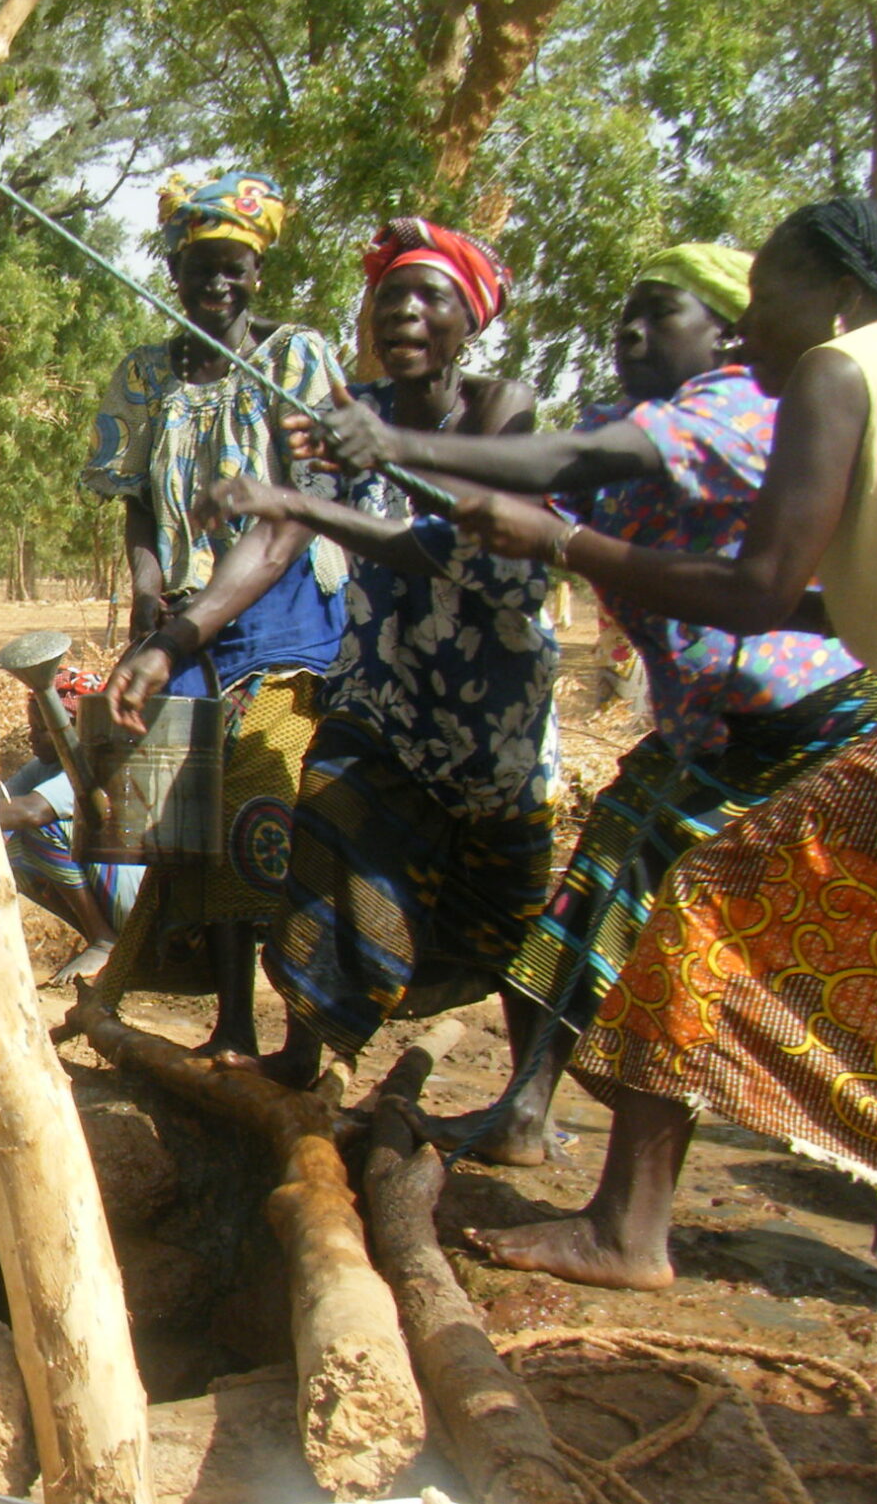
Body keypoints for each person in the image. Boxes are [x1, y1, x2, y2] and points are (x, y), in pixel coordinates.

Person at [433, 199, 877, 1289]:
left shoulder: (838, 374)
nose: (750, 331)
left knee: (706, 899)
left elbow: (757, 592)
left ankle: (627, 1232)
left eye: (767, 303)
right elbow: (823, 604)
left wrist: (566, 541)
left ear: (841, 299)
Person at [307, 244, 877, 1166]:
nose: (628, 332)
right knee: (597, 909)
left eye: (659, 313)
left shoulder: (739, 407)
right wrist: (322, 502)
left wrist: (395, 452)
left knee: (818, 958)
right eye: (624, 313)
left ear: (725, 333)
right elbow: (495, 530)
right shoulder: (632, 423)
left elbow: (562, 475)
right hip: (720, 733)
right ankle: (532, 1116)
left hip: (809, 723)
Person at [110, 218, 555, 1089]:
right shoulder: (346, 416)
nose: (407, 315)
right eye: (391, 298)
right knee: (322, 841)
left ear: (471, 320)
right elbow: (274, 538)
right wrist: (170, 639)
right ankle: (303, 1057)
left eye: (432, 298)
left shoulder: (504, 409)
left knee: (511, 912)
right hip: (385, 699)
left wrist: (329, 483)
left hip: (492, 716)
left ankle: (529, 1099)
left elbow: (449, 540)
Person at [81, 173, 348, 1026]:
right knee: (165, 815)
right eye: (201, 267)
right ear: (175, 270)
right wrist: (148, 594)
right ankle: (199, 1007)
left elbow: (292, 519)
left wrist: (181, 629)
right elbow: (136, 501)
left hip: (283, 614)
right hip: (183, 621)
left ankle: (264, 1027)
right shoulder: (145, 374)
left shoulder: (292, 357)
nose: (217, 284)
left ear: (257, 272)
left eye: (233, 267)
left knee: (251, 803)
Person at [0, 670, 142, 976]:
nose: (31, 736)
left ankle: (104, 941)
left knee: (33, 831)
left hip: (134, 898)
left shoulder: (91, 765)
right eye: (32, 726)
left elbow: (30, 812)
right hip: (111, 891)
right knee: (2, 846)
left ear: (74, 730)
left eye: (42, 729)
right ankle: (99, 937)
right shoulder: (45, 767)